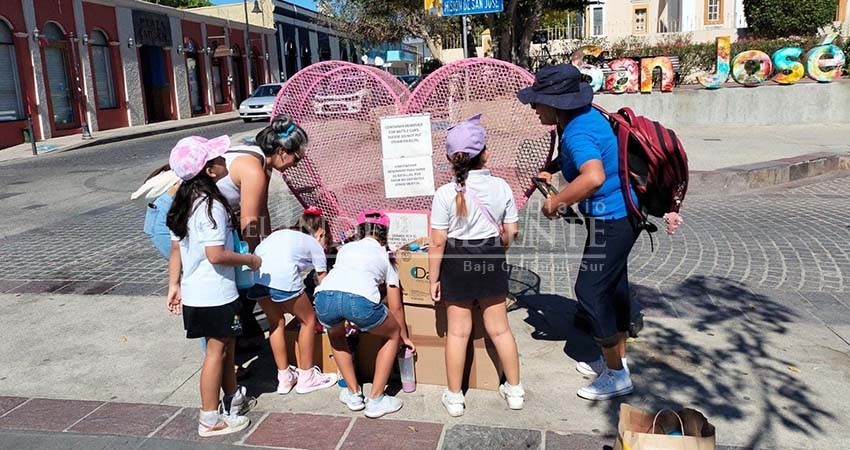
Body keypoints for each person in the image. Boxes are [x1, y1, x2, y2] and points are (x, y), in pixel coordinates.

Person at [517, 64, 640, 401]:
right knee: (613, 287)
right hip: (620, 215)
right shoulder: (582, 118)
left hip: (613, 220)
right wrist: (553, 168)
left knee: (590, 290)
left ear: (556, 103)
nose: (533, 108)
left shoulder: (576, 132)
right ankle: (618, 360)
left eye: (537, 102)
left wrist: (555, 200)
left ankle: (616, 375)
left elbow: (594, 177)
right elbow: (582, 156)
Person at [164, 136, 262, 436]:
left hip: (200, 291)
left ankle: (232, 401)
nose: (224, 161)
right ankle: (209, 418)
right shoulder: (211, 206)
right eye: (218, 158)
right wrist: (250, 258)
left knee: (227, 347)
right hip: (215, 293)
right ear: (209, 171)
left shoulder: (185, 201)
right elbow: (215, 254)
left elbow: (177, 249)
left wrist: (174, 285)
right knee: (216, 353)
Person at [428, 114, 525, 417]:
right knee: (500, 329)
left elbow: (437, 242)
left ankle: (455, 396)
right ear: (485, 153)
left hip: (456, 262)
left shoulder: (444, 194)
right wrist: (499, 250)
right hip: (491, 257)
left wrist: (433, 279)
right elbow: (511, 231)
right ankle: (515, 390)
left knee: (458, 333)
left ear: (449, 157)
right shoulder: (501, 188)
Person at [218, 114, 309, 356]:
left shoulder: (262, 163)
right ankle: (225, 360)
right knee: (223, 292)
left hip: (213, 223)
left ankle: (240, 343)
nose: (295, 165)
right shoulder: (254, 168)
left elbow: (262, 210)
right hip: (176, 218)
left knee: (240, 289)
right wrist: (252, 259)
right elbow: (249, 222)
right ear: (281, 151)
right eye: (296, 158)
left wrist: (270, 244)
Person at [313, 211, 415, 419]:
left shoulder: (346, 249)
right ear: (385, 233)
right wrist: (404, 337)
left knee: (337, 336)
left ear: (360, 231)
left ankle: (353, 394)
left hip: (324, 297)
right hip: (359, 302)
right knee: (392, 334)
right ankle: (376, 398)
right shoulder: (386, 257)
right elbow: (395, 308)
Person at [249, 207, 338, 395]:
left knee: (276, 322)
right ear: (320, 233)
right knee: (308, 320)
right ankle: (307, 376)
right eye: (326, 240)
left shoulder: (282, 233)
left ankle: (284, 377)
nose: (326, 245)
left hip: (257, 277)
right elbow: (325, 283)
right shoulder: (314, 244)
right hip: (283, 279)